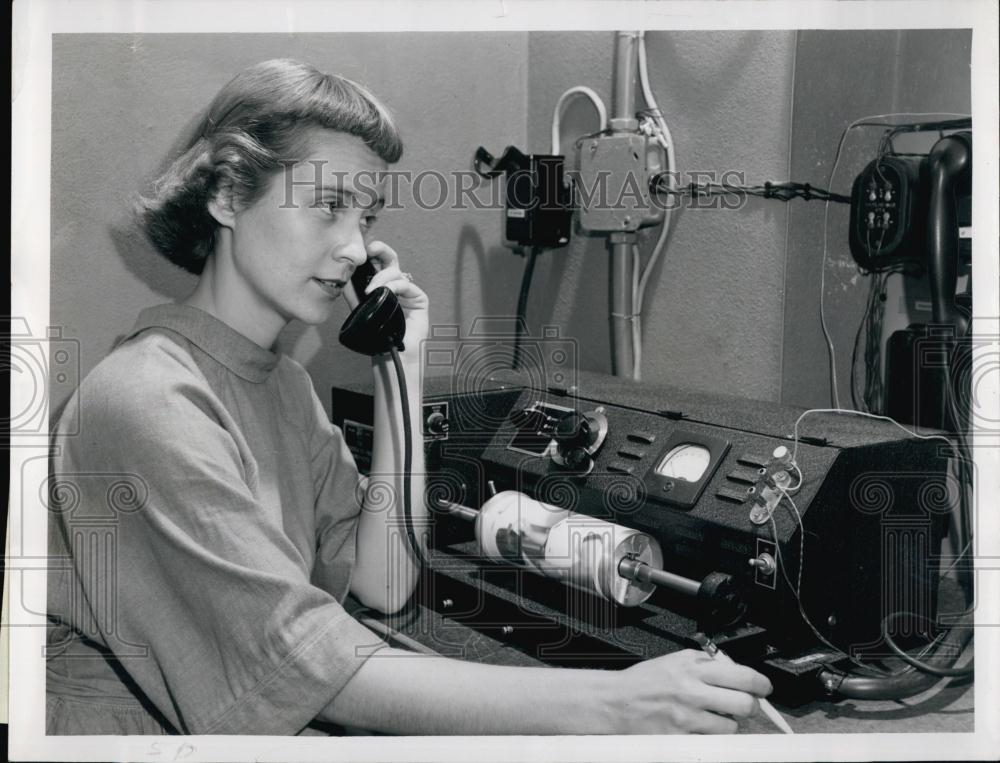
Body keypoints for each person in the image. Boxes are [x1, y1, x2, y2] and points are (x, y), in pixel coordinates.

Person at [46, 58, 772, 736]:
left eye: (366, 217)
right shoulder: (146, 400)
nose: (357, 250)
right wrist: (610, 703)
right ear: (229, 193)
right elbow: (306, 667)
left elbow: (385, 578)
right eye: (328, 205)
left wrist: (403, 361)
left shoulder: (283, 387)